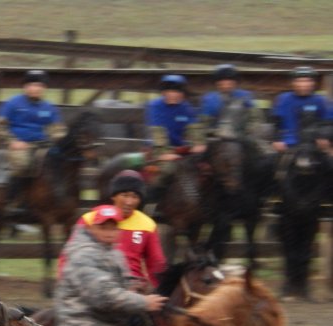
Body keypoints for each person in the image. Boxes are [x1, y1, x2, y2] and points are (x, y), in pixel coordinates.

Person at [59, 170, 166, 289]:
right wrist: (64, 284)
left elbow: (157, 263)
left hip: (133, 287)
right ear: (113, 196)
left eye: (135, 197)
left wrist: (159, 290)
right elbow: (68, 256)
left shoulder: (147, 225)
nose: (129, 202)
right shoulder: (90, 219)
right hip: (96, 285)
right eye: (124, 195)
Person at [0, 69, 65, 204]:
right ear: (25, 87)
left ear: (44, 88)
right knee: (23, 165)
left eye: (39, 85)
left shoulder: (49, 107)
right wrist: (12, 141)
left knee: (59, 161)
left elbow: (58, 129)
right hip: (20, 145)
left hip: (43, 145)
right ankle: (12, 199)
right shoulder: (12, 103)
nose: (35, 88)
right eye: (31, 85)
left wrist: (55, 139)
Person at [145, 74, 206, 203]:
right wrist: (164, 153)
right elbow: (157, 132)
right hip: (159, 149)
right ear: (163, 93)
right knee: (168, 170)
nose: (173, 95)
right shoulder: (155, 107)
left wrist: (198, 143)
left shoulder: (186, 108)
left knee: (204, 168)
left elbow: (194, 127)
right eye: (170, 91)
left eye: (177, 91)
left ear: (182, 94)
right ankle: (153, 201)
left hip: (181, 149)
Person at [272, 66, 331, 152]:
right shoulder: (283, 99)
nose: (303, 85)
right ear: (293, 83)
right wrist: (277, 139)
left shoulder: (320, 100)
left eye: (307, 81)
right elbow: (276, 122)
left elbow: (327, 122)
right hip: (288, 145)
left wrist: (323, 136)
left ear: (313, 83)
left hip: (313, 145)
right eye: (299, 81)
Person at [199, 64, 262, 140]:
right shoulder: (209, 99)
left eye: (229, 83)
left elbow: (256, 118)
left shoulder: (245, 96)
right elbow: (203, 125)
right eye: (222, 84)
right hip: (217, 137)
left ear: (235, 83)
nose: (226, 86)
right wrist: (215, 132)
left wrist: (249, 130)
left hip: (243, 135)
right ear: (217, 84)